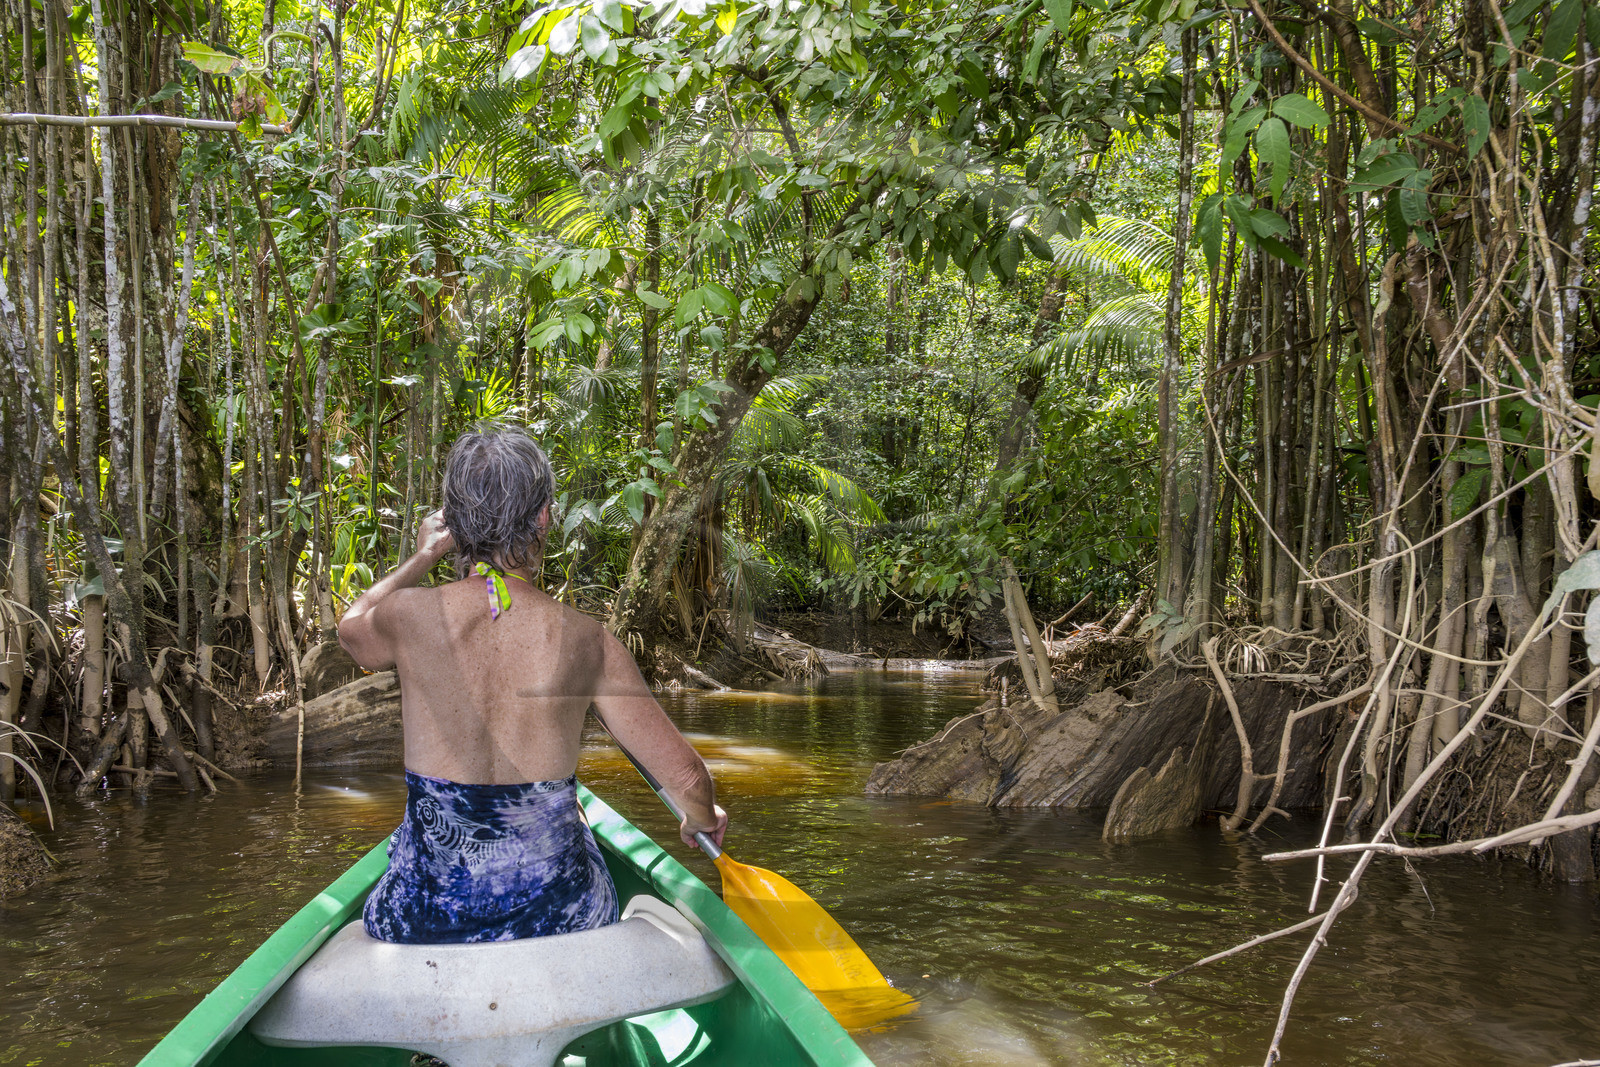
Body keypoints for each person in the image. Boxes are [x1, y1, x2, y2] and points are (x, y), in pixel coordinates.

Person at [338, 423, 727, 944]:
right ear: (544, 516)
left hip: (424, 918)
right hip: (561, 916)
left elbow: (351, 630)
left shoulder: (409, 617)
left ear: (451, 521)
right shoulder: (589, 641)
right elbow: (687, 776)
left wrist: (424, 556)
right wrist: (700, 817)